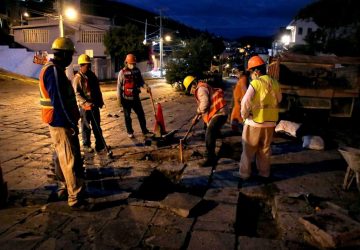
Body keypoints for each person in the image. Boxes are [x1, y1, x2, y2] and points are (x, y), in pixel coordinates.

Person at [39, 37, 88, 210]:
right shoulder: (53, 71)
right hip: (60, 122)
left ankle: (70, 188)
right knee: (70, 160)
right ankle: (75, 197)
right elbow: (59, 102)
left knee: (65, 158)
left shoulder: (56, 70)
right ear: (64, 54)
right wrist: (70, 123)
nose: (71, 59)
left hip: (61, 121)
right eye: (70, 55)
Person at [238, 55, 282, 181]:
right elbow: (279, 99)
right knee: (265, 150)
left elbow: (245, 102)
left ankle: (244, 174)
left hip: (254, 123)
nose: (251, 75)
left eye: (251, 72)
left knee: (248, 151)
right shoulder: (274, 82)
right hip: (270, 124)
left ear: (256, 71)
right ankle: (264, 173)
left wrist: (244, 116)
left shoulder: (256, 83)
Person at [183, 74, 228, 167]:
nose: (190, 92)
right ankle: (215, 143)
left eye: (189, 89)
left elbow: (204, 105)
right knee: (209, 129)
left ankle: (210, 158)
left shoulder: (200, 89)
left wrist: (197, 112)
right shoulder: (201, 88)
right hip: (217, 112)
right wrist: (197, 118)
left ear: (193, 85)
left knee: (209, 133)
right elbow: (204, 109)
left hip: (219, 113)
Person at [72, 54, 105, 153]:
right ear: (81, 66)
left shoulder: (92, 75)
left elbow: (97, 90)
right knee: (86, 126)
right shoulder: (78, 78)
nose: (89, 67)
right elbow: (77, 94)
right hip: (84, 107)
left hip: (94, 105)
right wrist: (85, 102)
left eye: (89, 65)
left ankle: (100, 145)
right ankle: (86, 145)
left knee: (97, 126)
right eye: (86, 65)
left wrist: (100, 101)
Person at [117, 53, 153, 138]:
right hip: (126, 99)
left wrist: (146, 87)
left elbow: (141, 82)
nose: (132, 65)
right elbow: (119, 87)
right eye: (131, 63)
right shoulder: (122, 73)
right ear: (126, 63)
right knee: (127, 117)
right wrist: (119, 100)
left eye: (133, 63)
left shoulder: (137, 71)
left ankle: (144, 131)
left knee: (141, 114)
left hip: (135, 97)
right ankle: (130, 132)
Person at [230, 65, 248, 132]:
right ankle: (238, 131)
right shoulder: (241, 79)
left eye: (237, 72)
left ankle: (241, 132)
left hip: (239, 104)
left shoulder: (243, 80)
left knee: (238, 119)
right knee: (235, 118)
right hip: (237, 104)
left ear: (241, 72)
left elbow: (244, 91)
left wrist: (242, 102)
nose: (236, 74)